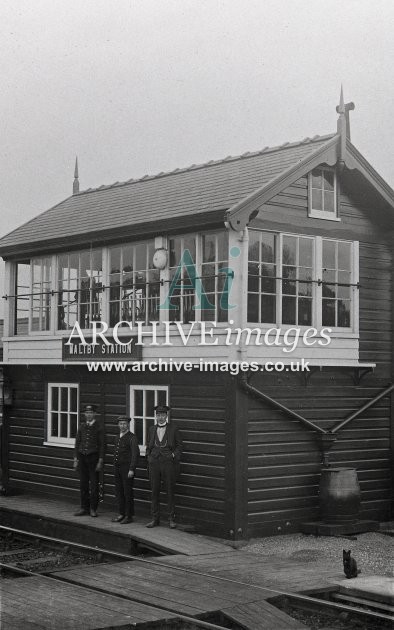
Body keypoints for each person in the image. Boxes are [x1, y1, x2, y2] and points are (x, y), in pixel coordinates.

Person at [145, 404, 182, 529]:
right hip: (154, 463)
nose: (160, 417)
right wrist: (149, 457)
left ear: (166, 416)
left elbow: (179, 447)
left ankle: (171, 519)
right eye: (158, 415)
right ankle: (155, 519)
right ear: (156, 416)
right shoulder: (151, 429)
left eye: (163, 415)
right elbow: (148, 446)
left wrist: (172, 456)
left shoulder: (173, 429)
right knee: (154, 491)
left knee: (170, 491)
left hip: (168, 464)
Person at [73, 404, 104, 517]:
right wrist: (75, 458)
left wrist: (100, 461)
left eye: (91, 413)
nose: (89, 415)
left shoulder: (99, 427)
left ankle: (93, 509)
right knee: (83, 484)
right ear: (84, 414)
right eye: (87, 413)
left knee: (94, 485)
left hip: (93, 459)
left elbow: (102, 446)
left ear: (94, 414)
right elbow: (77, 443)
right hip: (82, 457)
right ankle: (84, 508)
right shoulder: (81, 426)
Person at [111, 416, 139, 524]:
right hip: (118, 468)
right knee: (119, 491)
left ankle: (129, 515)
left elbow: (134, 455)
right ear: (118, 425)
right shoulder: (117, 437)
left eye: (124, 424)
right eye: (121, 423)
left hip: (127, 469)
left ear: (128, 425)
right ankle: (121, 513)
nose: (122, 426)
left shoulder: (132, 437)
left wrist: (131, 469)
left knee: (127, 492)